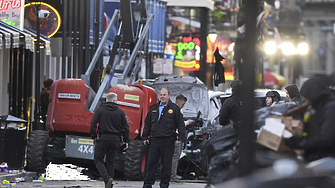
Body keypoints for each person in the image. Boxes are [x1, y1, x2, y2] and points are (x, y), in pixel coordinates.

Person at [142, 88, 186, 188]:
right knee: (151, 162)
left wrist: (181, 137)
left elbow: (180, 124)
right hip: (155, 140)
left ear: (168, 96)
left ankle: (164, 184)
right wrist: (145, 136)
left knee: (166, 164)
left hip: (168, 140)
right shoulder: (153, 108)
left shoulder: (174, 109)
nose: (162, 96)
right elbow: (147, 124)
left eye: (164, 95)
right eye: (161, 95)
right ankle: (148, 184)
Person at [284, 77, 335, 162]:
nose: (306, 100)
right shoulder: (318, 107)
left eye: (307, 97)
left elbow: (325, 138)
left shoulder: (330, 108)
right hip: (317, 157)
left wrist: (300, 143)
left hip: (325, 159)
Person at [90, 92, 129, 188]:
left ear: (106, 100)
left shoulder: (100, 111)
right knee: (111, 162)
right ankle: (109, 185)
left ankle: (107, 179)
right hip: (115, 140)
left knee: (98, 160)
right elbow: (126, 128)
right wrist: (126, 141)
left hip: (103, 138)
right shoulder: (120, 112)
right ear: (115, 100)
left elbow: (93, 125)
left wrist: (93, 137)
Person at [170, 94, 194, 182]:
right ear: (177, 102)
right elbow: (177, 124)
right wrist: (187, 122)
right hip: (176, 137)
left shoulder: (174, 110)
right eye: (182, 104)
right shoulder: (176, 111)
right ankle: (173, 176)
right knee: (175, 157)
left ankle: (171, 175)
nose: (183, 106)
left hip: (174, 136)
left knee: (173, 157)